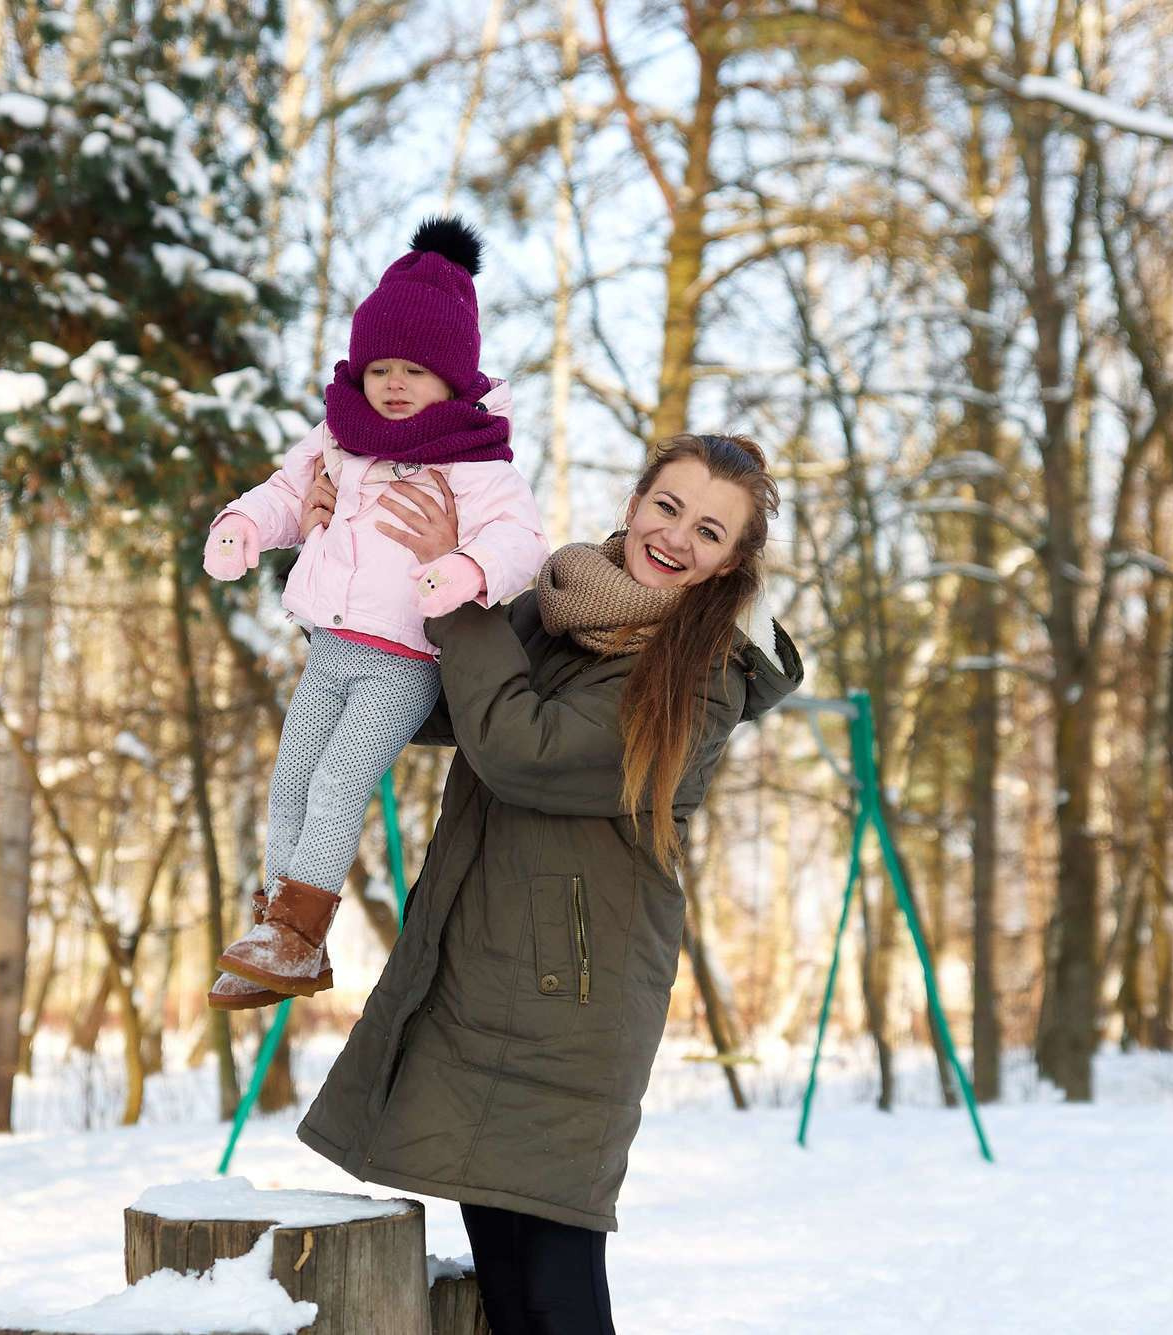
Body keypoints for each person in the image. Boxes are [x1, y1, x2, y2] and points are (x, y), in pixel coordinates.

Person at [296, 432, 804, 1334]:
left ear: (733, 562)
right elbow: (440, 701)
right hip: (482, 978)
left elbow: (524, 749)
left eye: (712, 531)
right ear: (637, 501)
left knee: (557, 1290)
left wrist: (454, 591)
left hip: (574, 1004)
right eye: (668, 506)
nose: (678, 537)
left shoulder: (700, 677)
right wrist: (350, 565)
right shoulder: (558, 606)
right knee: (507, 1283)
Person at [201, 217, 548, 1009]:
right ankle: (276, 925)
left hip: (404, 660)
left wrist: (465, 566)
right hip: (329, 649)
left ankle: (298, 929)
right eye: (381, 366)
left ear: (453, 379)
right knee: (290, 782)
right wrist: (244, 526)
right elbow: (288, 493)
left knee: (336, 784)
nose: (394, 383)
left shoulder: (474, 457)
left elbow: (521, 540)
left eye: (415, 370)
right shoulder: (341, 438)